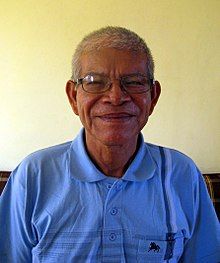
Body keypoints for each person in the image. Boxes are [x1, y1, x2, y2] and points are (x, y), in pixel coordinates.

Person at [0, 26, 219, 263]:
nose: (115, 97)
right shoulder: (33, 176)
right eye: (95, 82)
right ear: (73, 97)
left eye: (133, 82)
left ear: (153, 97)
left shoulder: (182, 174)